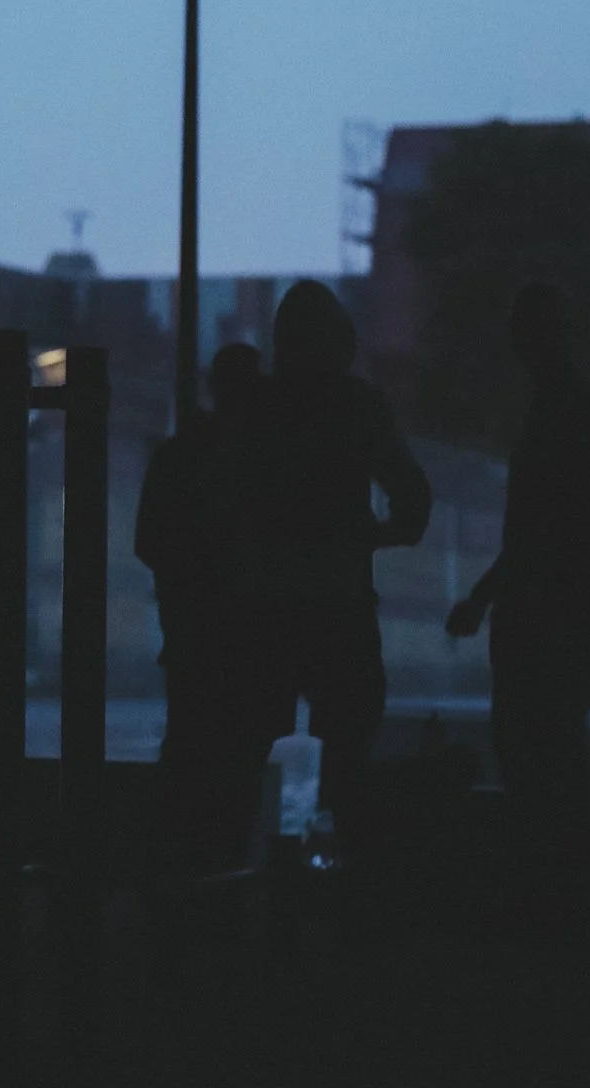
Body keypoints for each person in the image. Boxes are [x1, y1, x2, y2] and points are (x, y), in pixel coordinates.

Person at [223, 282, 432, 863]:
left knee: (241, 754)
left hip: (261, 605)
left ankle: (232, 876)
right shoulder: (358, 407)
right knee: (350, 751)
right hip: (338, 601)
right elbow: (413, 503)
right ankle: (344, 871)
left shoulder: (255, 409)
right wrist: (364, 535)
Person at [445, 283, 590, 829]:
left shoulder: (555, 412)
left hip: (543, 613)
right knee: (550, 754)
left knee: (529, 750)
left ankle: (545, 880)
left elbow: (539, 530)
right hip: (558, 610)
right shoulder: (574, 408)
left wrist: (483, 596)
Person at [135, 342, 268, 876]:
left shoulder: (178, 454)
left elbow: (148, 541)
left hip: (191, 632)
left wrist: (186, 582)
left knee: (188, 751)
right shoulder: (265, 460)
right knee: (243, 757)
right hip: (252, 636)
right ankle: (231, 870)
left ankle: (181, 872)